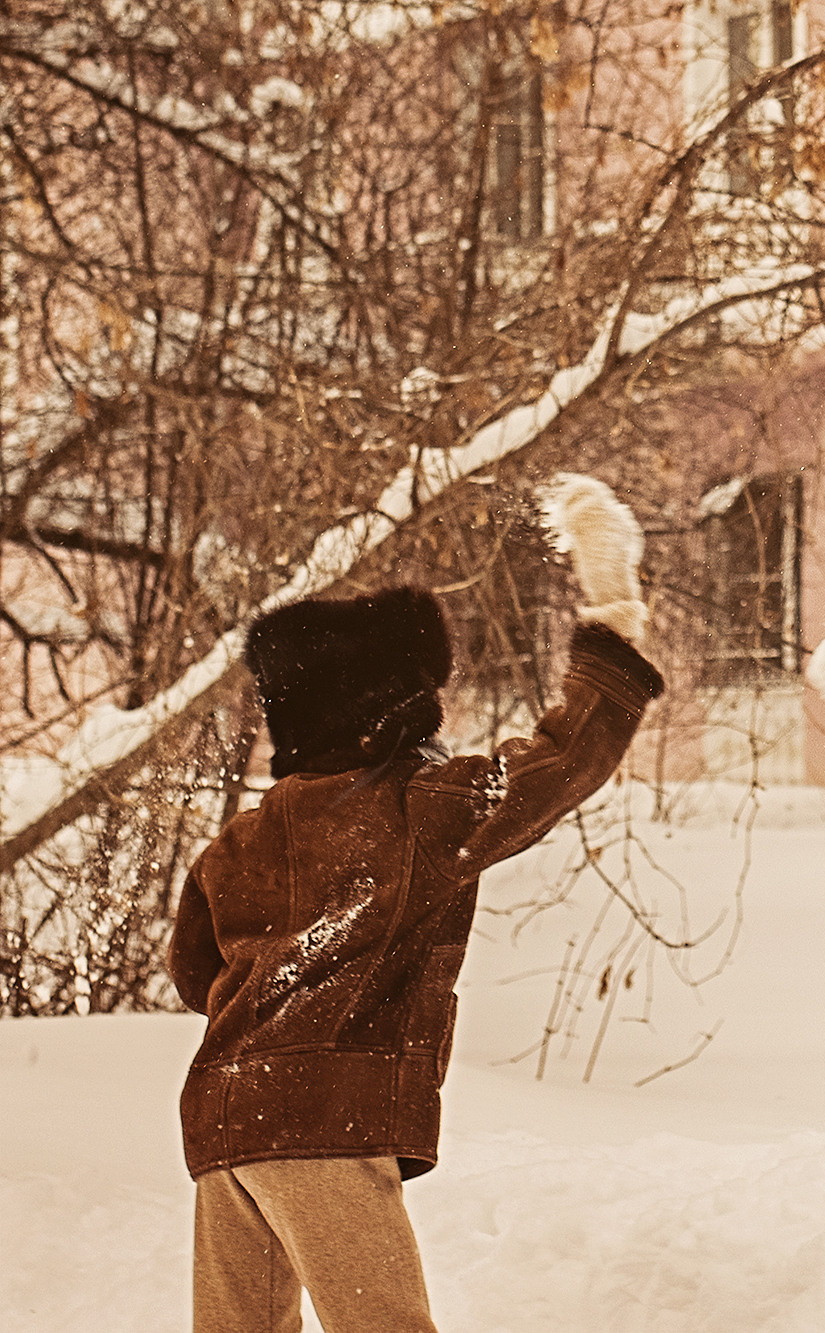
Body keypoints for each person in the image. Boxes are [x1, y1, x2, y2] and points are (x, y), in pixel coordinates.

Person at [168, 475, 663, 1332]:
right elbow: (559, 764)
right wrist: (612, 618)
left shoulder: (238, 839)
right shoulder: (417, 806)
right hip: (322, 1121)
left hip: (223, 1120)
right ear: (390, 710)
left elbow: (192, 972)